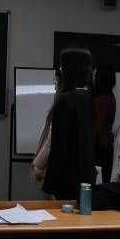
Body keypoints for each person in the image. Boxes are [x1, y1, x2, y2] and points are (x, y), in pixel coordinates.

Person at [43, 48, 96, 200]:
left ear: (70, 69)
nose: (60, 70)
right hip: (86, 175)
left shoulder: (66, 99)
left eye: (62, 66)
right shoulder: (89, 96)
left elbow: (59, 145)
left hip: (66, 178)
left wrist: (49, 185)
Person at [31, 69, 61, 182]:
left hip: (55, 163)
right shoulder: (61, 99)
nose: (54, 84)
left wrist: (38, 165)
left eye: (56, 80)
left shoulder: (62, 101)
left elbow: (51, 139)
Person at [93, 64, 116, 183]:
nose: (93, 77)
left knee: (97, 181)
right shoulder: (104, 97)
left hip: (99, 147)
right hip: (100, 145)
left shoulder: (104, 99)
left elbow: (96, 127)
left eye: (95, 75)